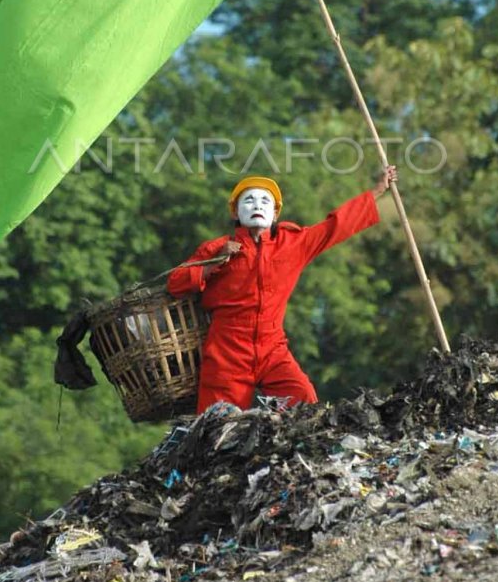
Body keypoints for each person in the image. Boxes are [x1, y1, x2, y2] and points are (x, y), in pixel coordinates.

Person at [167, 168, 398, 413]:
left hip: (273, 349)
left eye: (265, 201)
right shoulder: (215, 248)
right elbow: (175, 283)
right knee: (218, 424)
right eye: (249, 200)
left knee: (303, 401)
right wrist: (213, 264)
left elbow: (335, 226)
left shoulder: (293, 244)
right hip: (227, 352)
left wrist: (378, 190)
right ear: (235, 212)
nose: (257, 205)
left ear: (275, 213)